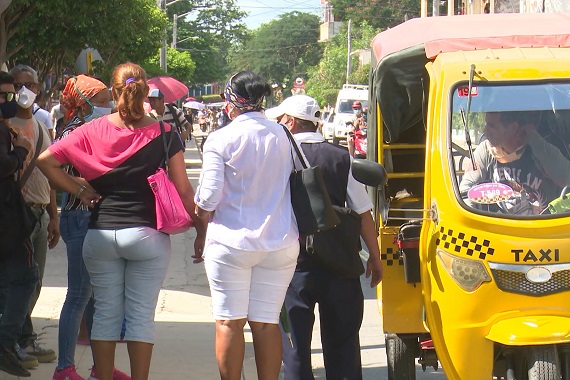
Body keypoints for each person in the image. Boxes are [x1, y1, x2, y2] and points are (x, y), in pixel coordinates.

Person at [36, 62, 206, 380]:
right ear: (146, 90)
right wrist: (200, 229)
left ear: (114, 91)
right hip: (147, 235)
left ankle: (101, 375)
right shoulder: (164, 132)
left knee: (105, 317)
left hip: (99, 234)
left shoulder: (91, 130)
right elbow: (184, 189)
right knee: (140, 317)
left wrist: (79, 190)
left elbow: (46, 161)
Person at [266, 95, 383, 380]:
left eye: (281, 120)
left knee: (294, 349)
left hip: (292, 266)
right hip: (340, 264)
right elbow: (363, 212)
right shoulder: (342, 157)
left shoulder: (276, 158)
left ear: (291, 122)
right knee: (343, 346)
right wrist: (376, 258)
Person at [194, 71, 299, 380]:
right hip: (280, 242)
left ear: (230, 102)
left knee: (229, 322)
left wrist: (198, 207)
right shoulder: (282, 134)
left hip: (230, 243)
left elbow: (209, 198)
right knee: (266, 322)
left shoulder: (221, 138)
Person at [50, 75, 131, 380]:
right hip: (79, 217)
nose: (107, 106)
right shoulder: (73, 131)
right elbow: (53, 169)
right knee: (80, 294)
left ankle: (102, 367)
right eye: (99, 102)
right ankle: (64, 368)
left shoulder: (95, 128)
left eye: (107, 100)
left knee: (96, 297)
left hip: (94, 218)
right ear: (82, 104)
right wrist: (90, 186)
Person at [7, 63, 59, 366]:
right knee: (22, 280)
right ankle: (16, 341)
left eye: (28, 85)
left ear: (38, 89)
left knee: (34, 281)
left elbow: (49, 175)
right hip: (18, 215)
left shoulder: (40, 126)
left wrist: (54, 217)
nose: (22, 91)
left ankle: (23, 338)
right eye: (16, 85)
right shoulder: (7, 125)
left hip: (40, 214)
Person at [0, 70, 39, 378]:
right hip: (8, 219)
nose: (9, 101)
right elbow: (4, 166)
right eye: (4, 96)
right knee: (25, 277)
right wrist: (21, 149)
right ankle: (6, 342)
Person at [459, 111, 570, 214]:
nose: (485, 131)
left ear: (513, 127)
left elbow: (565, 178)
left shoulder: (540, 148)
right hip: (501, 228)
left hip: (541, 227)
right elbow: (465, 190)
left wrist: (534, 138)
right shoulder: (486, 150)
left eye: (492, 126)